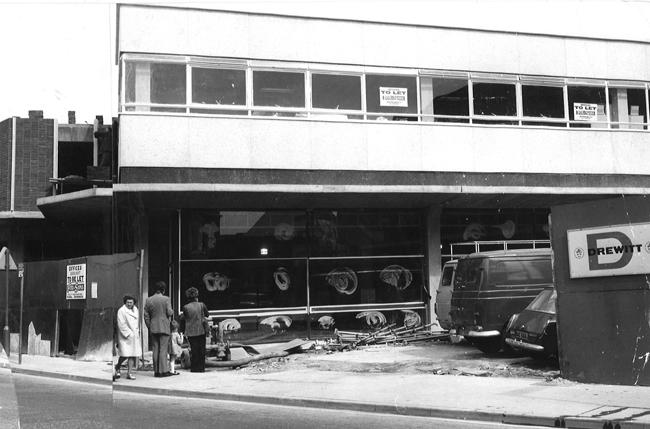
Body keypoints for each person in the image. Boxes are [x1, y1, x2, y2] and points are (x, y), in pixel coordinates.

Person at [144, 281, 174, 378]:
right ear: (163, 290)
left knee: (155, 349)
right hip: (164, 326)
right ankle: (163, 371)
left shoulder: (148, 300)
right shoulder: (166, 299)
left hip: (153, 326)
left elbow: (146, 316)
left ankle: (156, 371)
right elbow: (169, 313)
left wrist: (150, 326)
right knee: (163, 349)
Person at [181, 287, 210, 373]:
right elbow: (207, 315)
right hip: (201, 330)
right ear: (196, 296)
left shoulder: (185, 307)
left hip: (191, 331)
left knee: (194, 350)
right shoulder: (202, 305)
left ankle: (194, 368)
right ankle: (201, 368)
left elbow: (185, 317)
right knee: (202, 350)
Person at [115, 295, 142, 380]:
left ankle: (129, 373)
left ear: (134, 303)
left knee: (132, 355)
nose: (129, 304)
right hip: (126, 337)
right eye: (128, 302)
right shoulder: (121, 311)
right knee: (124, 354)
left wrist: (137, 332)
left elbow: (137, 322)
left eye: (131, 302)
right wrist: (129, 334)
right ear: (125, 302)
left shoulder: (136, 310)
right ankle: (118, 366)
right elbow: (121, 324)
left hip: (135, 336)